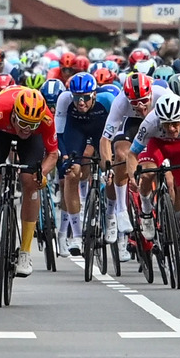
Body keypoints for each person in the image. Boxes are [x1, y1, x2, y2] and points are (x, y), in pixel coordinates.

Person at [0, 87, 59, 278]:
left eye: (32, 125)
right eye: (23, 123)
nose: (26, 129)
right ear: (15, 115)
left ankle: (25, 252)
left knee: (31, 181)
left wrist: (42, 173)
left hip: (31, 143)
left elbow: (52, 154)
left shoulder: (45, 119)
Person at [127, 93, 180, 273]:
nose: (171, 129)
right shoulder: (150, 123)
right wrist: (133, 176)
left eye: (175, 124)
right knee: (147, 174)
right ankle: (146, 212)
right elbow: (132, 154)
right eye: (166, 124)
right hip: (156, 144)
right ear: (159, 120)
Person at [99, 72, 172, 241]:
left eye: (144, 101)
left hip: (159, 122)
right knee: (121, 154)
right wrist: (108, 166)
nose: (139, 106)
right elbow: (105, 139)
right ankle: (121, 210)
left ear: (151, 95)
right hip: (131, 124)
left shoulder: (163, 95)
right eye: (134, 103)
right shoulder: (120, 103)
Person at [53, 72, 115, 257]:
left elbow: (116, 132)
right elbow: (59, 133)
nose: (81, 103)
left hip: (101, 133)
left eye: (86, 98)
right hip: (76, 132)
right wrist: (65, 157)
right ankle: (77, 235)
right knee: (72, 173)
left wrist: (108, 159)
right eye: (77, 98)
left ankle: (113, 220)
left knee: (111, 169)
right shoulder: (64, 99)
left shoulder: (108, 100)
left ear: (94, 94)